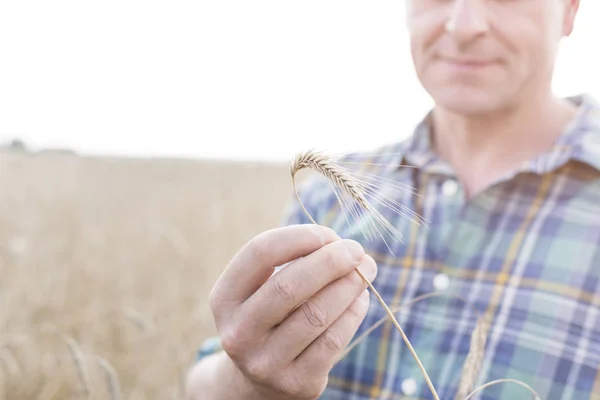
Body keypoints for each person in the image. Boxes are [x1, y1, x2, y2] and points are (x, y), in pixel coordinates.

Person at [187, 0, 600, 398]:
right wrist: (248, 381)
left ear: (570, 9)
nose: (463, 23)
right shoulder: (326, 196)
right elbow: (203, 384)